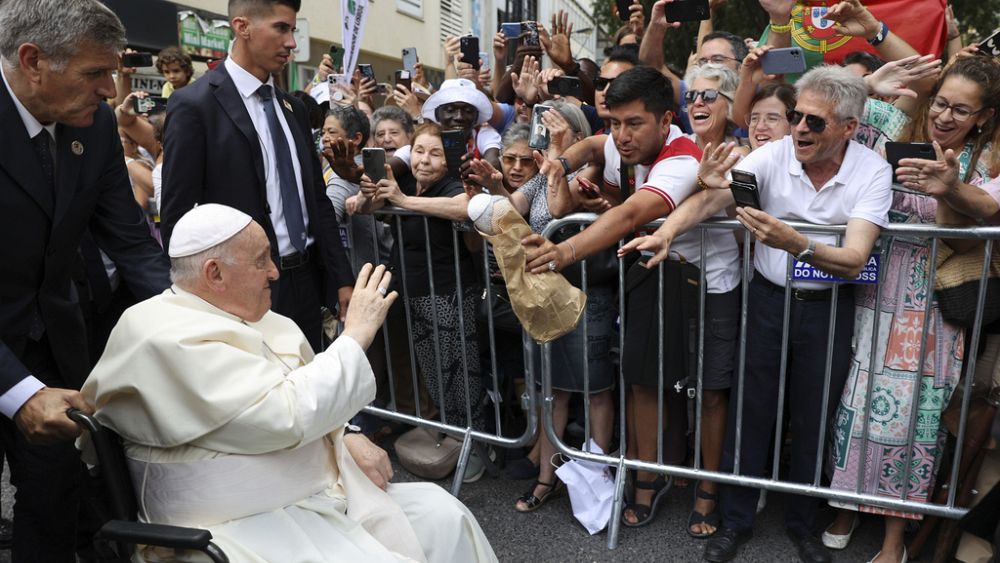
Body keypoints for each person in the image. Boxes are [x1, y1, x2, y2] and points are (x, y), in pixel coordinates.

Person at [80, 204, 498, 563]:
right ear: (215, 273)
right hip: (235, 525)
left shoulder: (259, 317)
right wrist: (355, 336)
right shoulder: (159, 335)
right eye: (262, 259)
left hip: (311, 497)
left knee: (446, 516)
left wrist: (346, 435)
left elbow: (304, 400)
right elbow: (284, 415)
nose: (275, 272)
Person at [621, 64, 892, 563]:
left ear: (850, 128)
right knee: (752, 411)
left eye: (816, 122)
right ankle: (735, 520)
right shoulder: (773, 154)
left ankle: (803, 525)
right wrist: (665, 232)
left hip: (829, 307)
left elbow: (855, 258)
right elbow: (711, 200)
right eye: (796, 117)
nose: (801, 129)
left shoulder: (872, 170)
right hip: (767, 299)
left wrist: (796, 243)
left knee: (813, 416)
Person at [523, 66, 740, 530]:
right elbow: (592, 144)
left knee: (709, 393)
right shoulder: (620, 142)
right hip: (654, 275)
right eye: (615, 122)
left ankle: (707, 492)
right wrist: (562, 163)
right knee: (643, 382)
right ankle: (647, 481)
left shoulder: (681, 159)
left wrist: (564, 249)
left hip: (710, 284)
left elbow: (630, 215)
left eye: (634, 123)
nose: (621, 136)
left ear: (666, 121)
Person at [0, 0, 171, 559]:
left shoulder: (92, 126)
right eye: (95, 74)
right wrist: (18, 393)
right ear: (32, 60)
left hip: (50, 344)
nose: (109, 91)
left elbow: (130, 240)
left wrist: (194, 324)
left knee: (53, 501)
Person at [823, 54, 1000, 563]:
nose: (945, 117)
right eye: (942, 102)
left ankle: (894, 537)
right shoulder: (892, 126)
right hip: (873, 286)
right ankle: (845, 506)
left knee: (914, 417)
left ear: (983, 117)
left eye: (961, 111)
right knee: (855, 401)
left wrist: (949, 188)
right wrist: (871, 87)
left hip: (934, 303)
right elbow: (830, 121)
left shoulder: (984, 164)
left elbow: (968, 236)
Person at [161, 0, 354, 351]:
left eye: (292, 30)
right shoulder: (195, 105)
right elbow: (177, 215)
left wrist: (342, 278)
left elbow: (317, 198)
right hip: (238, 293)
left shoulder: (292, 109)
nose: (291, 42)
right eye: (281, 28)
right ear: (242, 27)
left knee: (307, 392)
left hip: (307, 283)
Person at [358, 122, 490, 481]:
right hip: (415, 295)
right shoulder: (404, 185)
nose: (425, 160)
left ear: (447, 160)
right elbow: (359, 207)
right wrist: (372, 192)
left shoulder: (451, 187)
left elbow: (465, 208)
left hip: (449, 296)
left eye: (434, 153)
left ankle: (476, 451)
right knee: (436, 376)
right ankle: (453, 439)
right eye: (419, 151)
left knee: (461, 377)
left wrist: (402, 201)